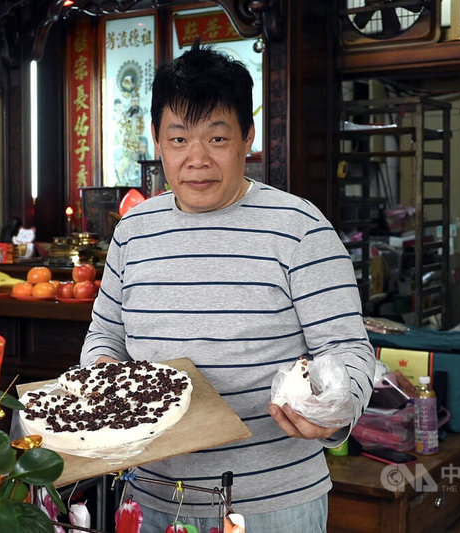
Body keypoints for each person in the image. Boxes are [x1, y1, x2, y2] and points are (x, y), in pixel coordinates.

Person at [80, 42, 374, 532]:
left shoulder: (299, 228)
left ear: (247, 138)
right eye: (178, 140)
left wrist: (336, 408)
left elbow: (348, 349)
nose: (196, 160)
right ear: (156, 141)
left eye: (216, 139)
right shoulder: (133, 231)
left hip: (271, 503)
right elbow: (105, 336)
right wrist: (105, 379)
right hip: (149, 499)